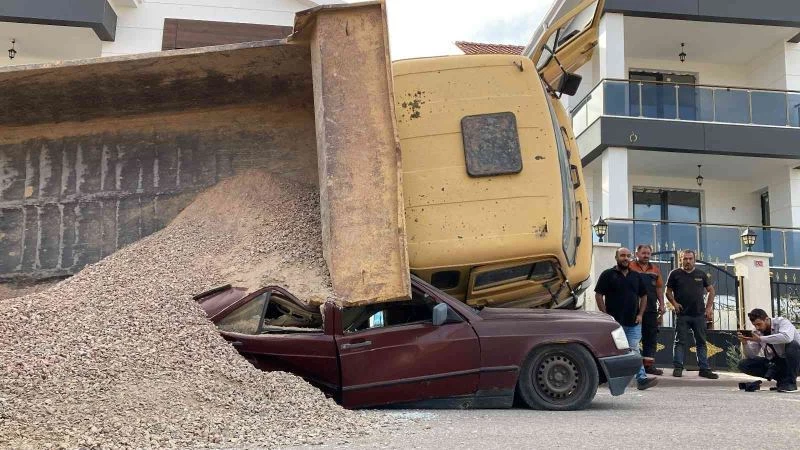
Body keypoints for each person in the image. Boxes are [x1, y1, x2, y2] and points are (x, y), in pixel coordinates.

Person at [594, 247, 659, 390]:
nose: (625, 258)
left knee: (634, 350)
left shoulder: (636, 276)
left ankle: (641, 379)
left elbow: (644, 296)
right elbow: (599, 295)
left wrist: (640, 314)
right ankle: (601, 379)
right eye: (622, 255)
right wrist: (606, 315)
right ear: (616, 257)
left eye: (628, 256)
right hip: (614, 323)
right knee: (611, 351)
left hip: (633, 323)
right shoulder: (607, 275)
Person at [665, 249, 719, 379]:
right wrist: (674, 303)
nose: (688, 261)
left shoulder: (701, 274)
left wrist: (708, 308)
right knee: (679, 342)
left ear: (694, 260)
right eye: (685, 258)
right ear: (681, 260)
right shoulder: (675, 274)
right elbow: (668, 292)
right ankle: (678, 368)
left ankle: (704, 369)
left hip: (699, 315)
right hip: (683, 315)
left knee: (701, 342)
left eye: (690, 258)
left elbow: (711, 291)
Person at [737, 308, 800, 393]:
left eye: (759, 324)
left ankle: (790, 383)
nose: (757, 327)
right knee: (744, 364)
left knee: (793, 345)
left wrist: (761, 339)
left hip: (795, 362)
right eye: (755, 325)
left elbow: (787, 337)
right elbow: (751, 355)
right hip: (778, 362)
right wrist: (745, 343)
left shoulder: (782, 322)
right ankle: (783, 381)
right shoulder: (757, 332)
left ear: (766, 319)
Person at [630, 244, 666, 375]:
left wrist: (662, 304)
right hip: (633, 309)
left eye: (648, 253)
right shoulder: (630, 267)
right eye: (643, 253)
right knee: (632, 338)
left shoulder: (655, 269)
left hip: (651, 309)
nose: (646, 255)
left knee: (650, 337)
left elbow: (659, 288)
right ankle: (631, 366)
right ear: (637, 254)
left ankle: (648, 366)